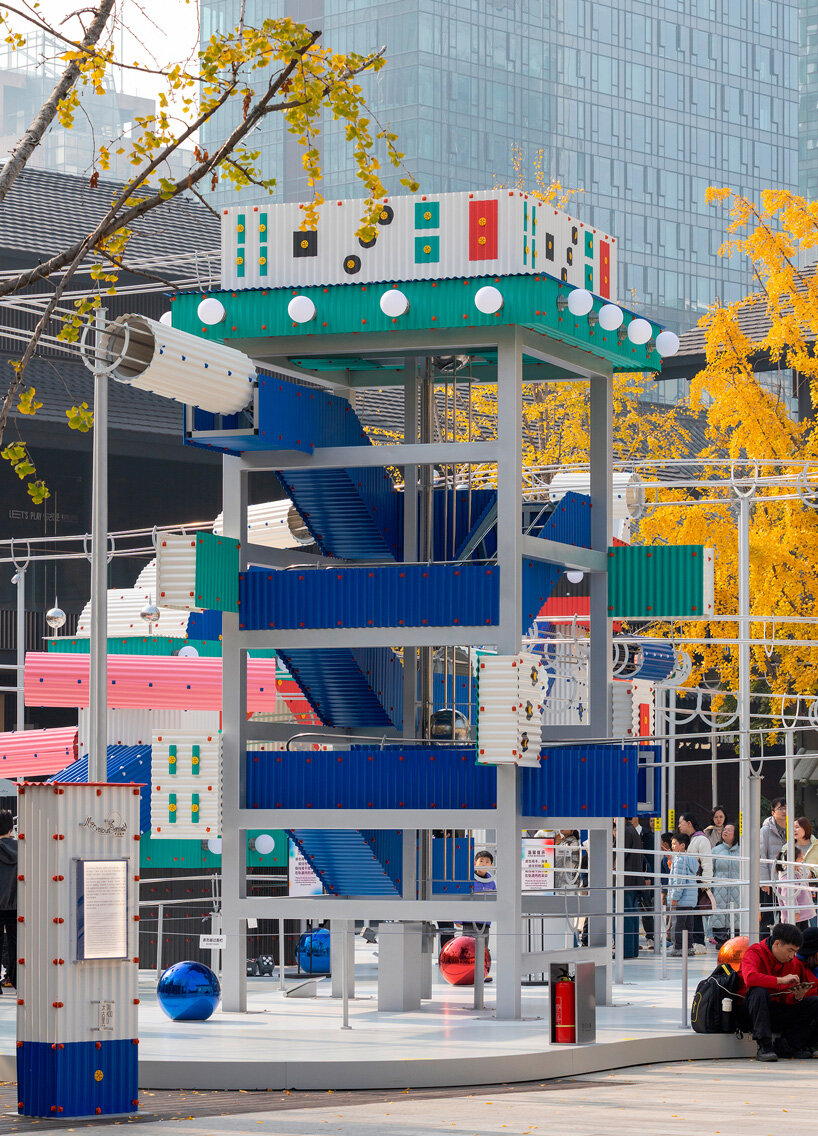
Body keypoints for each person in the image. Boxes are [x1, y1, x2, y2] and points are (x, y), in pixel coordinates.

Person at [736, 922, 818, 1061]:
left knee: (814, 1002)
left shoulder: (794, 963)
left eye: (795, 952)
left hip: (777, 1011)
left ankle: (789, 1045)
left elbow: (787, 998)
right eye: (790, 950)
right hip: (750, 1012)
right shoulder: (755, 952)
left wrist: (797, 997)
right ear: (777, 944)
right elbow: (750, 978)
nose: (792, 956)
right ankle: (764, 1045)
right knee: (758, 990)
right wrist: (780, 980)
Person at [678, 813, 713, 951]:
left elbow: (707, 862)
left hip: (697, 882)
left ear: (689, 823)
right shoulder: (689, 839)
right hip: (689, 882)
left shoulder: (701, 840)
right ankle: (692, 942)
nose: (679, 826)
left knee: (696, 913)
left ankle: (699, 942)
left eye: (681, 822)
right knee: (690, 913)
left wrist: (706, 883)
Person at [612, 817, 642, 958]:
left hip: (623, 882)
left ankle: (624, 951)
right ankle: (631, 950)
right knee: (631, 916)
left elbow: (619, 857)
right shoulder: (632, 831)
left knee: (622, 918)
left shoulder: (624, 832)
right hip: (633, 881)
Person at [666, 832, 699, 956]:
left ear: (683, 845)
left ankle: (678, 947)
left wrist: (675, 897)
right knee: (688, 924)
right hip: (690, 899)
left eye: (675, 844)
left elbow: (678, 881)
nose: (672, 846)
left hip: (681, 898)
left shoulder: (679, 859)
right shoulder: (691, 859)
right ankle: (689, 947)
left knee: (677, 924)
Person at [710, 823, 741, 946]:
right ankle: (720, 939)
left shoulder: (742, 851)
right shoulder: (715, 850)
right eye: (724, 830)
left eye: (729, 830)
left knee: (738, 912)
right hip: (719, 887)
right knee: (719, 913)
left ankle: (736, 938)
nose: (725, 832)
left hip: (737, 887)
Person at [760, 799, 788, 932]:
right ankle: (765, 944)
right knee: (768, 916)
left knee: (787, 913)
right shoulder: (765, 830)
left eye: (787, 808)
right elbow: (761, 856)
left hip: (788, 878)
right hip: (771, 879)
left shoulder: (793, 828)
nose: (784, 811)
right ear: (773, 812)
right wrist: (765, 881)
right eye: (781, 808)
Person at [774, 847, 817, 930]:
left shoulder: (798, 872)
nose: (802, 859)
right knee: (796, 937)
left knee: (802, 935)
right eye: (800, 857)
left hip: (801, 913)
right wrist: (794, 911)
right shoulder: (788, 877)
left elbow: (807, 872)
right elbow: (788, 896)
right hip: (796, 915)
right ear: (793, 860)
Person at [0, 811, 16, 991]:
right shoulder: (24, 848)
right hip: (17, 905)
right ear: (11, 828)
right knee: (15, 943)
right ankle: (15, 978)